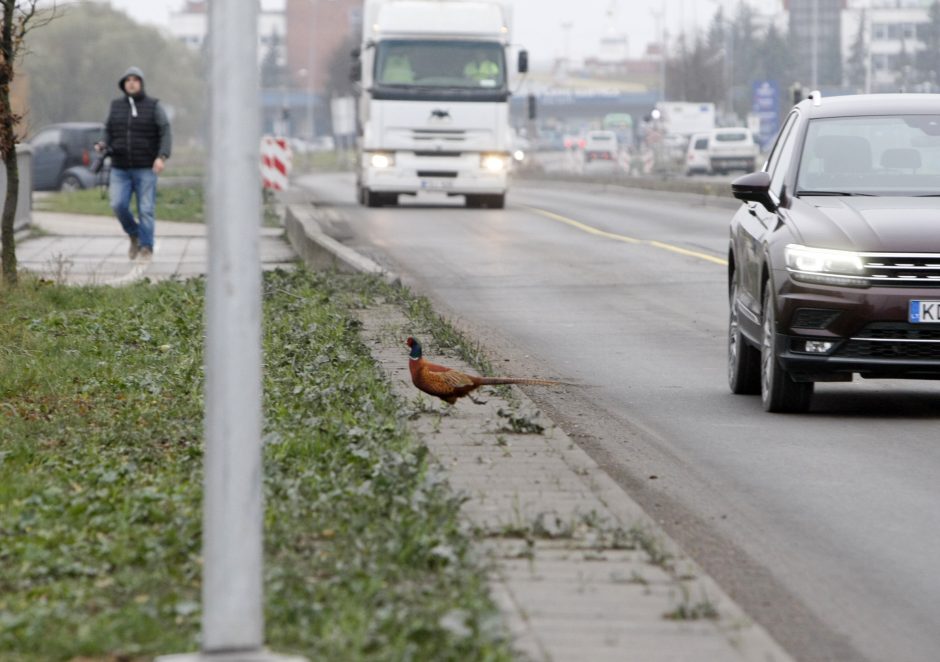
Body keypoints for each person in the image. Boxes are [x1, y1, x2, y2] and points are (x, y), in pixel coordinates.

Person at [98, 66, 172, 260]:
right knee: (118, 204)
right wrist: (102, 143)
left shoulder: (154, 106)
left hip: (146, 167)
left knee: (146, 209)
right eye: (127, 80)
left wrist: (161, 156)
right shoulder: (115, 106)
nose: (131, 82)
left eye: (135, 79)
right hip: (120, 167)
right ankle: (134, 234)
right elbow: (107, 129)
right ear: (123, 84)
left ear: (141, 83)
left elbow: (165, 131)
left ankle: (146, 247)